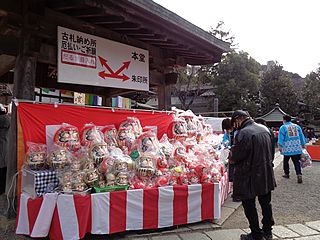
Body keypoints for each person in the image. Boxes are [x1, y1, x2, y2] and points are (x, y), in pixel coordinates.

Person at [230, 110, 276, 240]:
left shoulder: (244, 133)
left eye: (234, 123)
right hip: (266, 172)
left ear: (238, 119)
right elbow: (272, 151)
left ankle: (256, 233)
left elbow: (236, 156)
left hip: (248, 175)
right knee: (266, 203)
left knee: (249, 205)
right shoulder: (265, 129)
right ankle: (268, 231)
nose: (234, 126)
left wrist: (230, 156)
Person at [278, 115, 306, 183]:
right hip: (296, 147)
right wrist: (303, 144)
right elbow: (301, 136)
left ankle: (287, 173)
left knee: (286, 161)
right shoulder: (297, 126)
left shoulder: (283, 127)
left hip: (287, 147)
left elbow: (281, 137)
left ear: (284, 120)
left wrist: (280, 146)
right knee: (296, 162)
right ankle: (299, 174)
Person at [0, 104, 10, 194]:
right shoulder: (7, 118)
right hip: (5, 146)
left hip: (3, 146)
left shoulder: (3, 119)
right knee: (3, 169)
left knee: (2, 169)